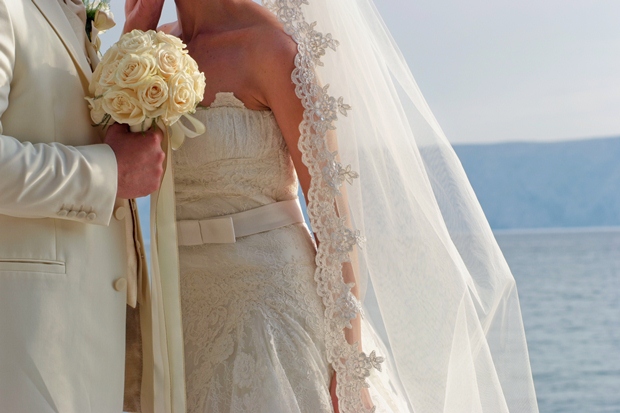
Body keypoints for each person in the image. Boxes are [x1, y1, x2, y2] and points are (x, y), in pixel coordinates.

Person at [127, 0, 540, 412]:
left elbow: (333, 221)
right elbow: (118, 165)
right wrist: (135, 30)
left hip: (268, 309)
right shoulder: (150, 50)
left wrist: (348, 365)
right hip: (176, 308)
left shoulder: (271, 48)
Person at [0, 1, 166, 412]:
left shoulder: (79, 19)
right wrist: (108, 174)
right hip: (27, 348)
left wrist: (134, 40)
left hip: (89, 347)